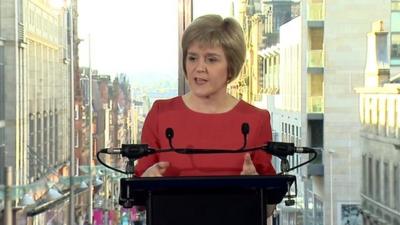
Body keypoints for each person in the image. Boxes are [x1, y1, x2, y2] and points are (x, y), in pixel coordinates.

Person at [135, 14, 276, 178]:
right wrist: (146, 180)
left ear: (231, 67)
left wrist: (255, 186)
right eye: (193, 58)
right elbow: (137, 188)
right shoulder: (160, 114)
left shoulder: (256, 120)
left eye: (211, 60)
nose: (199, 67)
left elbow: (270, 200)